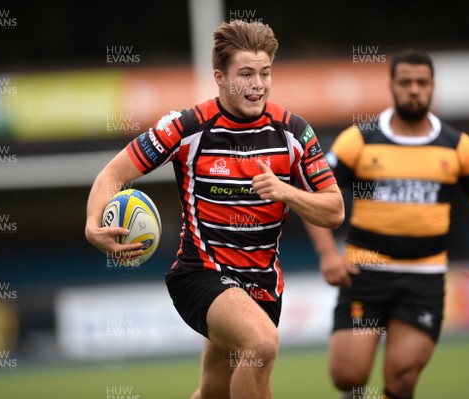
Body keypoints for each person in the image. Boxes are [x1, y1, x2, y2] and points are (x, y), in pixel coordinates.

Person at [85, 20, 344, 399]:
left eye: (265, 73)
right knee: (261, 345)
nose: (257, 84)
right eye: (245, 74)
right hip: (201, 275)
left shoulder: (294, 132)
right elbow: (113, 174)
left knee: (213, 392)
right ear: (220, 78)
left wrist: (285, 191)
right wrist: (93, 224)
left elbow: (334, 209)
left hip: (264, 288)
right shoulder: (187, 127)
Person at [304, 48, 469, 399]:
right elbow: (316, 197)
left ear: (432, 88)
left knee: (403, 378)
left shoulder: (457, 146)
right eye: (406, 82)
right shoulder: (361, 140)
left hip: (423, 278)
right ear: (392, 86)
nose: (414, 90)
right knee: (347, 375)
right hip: (364, 274)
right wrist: (327, 254)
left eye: (422, 83)